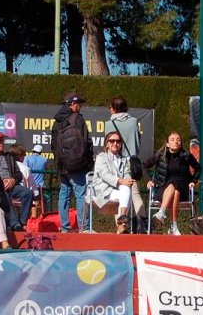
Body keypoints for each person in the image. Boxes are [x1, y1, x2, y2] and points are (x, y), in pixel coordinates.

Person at [52, 91, 93, 233]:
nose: (80, 107)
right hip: (78, 165)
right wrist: (87, 161)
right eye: (79, 104)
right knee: (81, 195)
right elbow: (87, 142)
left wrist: (59, 162)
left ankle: (64, 228)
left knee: (64, 195)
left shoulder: (57, 121)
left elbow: (53, 145)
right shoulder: (78, 119)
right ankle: (84, 227)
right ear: (72, 104)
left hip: (62, 165)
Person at [147, 131, 201, 235]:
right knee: (174, 190)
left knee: (175, 186)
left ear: (181, 143)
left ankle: (162, 213)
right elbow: (144, 165)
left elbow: (198, 168)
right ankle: (173, 226)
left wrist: (193, 181)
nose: (176, 142)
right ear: (167, 144)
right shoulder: (160, 155)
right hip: (163, 190)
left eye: (178, 140)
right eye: (172, 140)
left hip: (183, 189)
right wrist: (149, 180)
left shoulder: (186, 156)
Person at [91, 130, 144, 234]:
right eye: (112, 141)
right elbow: (105, 175)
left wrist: (127, 181)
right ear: (107, 144)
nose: (115, 143)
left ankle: (122, 221)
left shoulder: (124, 160)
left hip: (118, 192)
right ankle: (122, 223)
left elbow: (127, 174)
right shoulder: (101, 157)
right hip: (102, 192)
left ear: (120, 144)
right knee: (125, 191)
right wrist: (121, 181)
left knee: (126, 188)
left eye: (118, 141)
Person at [0, 130, 34, 231]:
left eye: (2, 140)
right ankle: (14, 223)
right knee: (3, 193)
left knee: (28, 193)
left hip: (10, 186)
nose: (2, 143)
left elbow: (18, 174)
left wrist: (13, 180)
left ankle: (22, 222)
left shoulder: (9, 156)